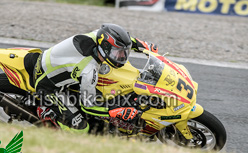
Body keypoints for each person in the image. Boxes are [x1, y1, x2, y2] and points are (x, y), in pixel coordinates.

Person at [26, 23, 158, 133]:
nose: (122, 57)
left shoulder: (99, 35)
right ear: (105, 48)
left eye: (124, 52)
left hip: (55, 63)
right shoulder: (88, 71)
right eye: (118, 53)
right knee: (81, 129)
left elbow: (120, 39)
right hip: (47, 86)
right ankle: (46, 112)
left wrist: (141, 45)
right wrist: (115, 111)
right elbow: (89, 105)